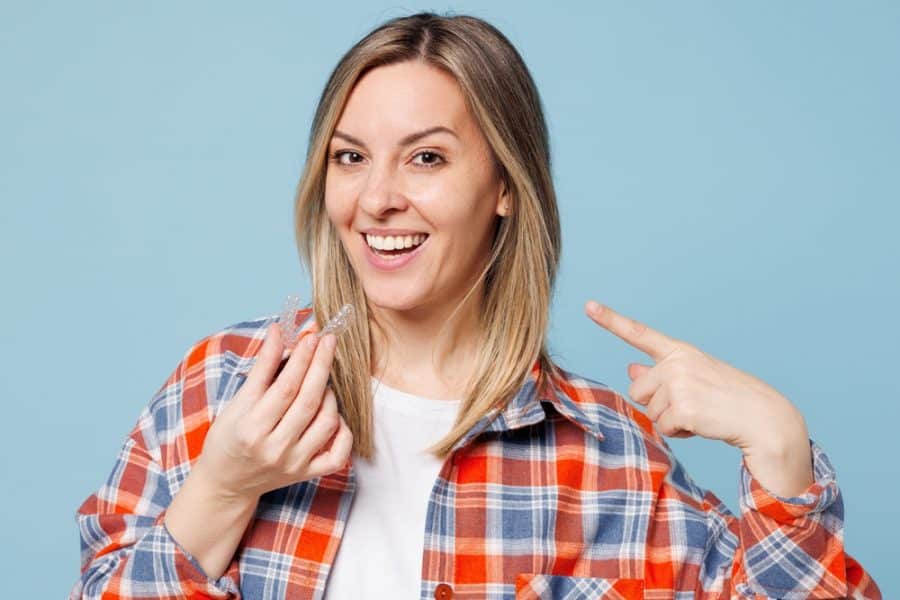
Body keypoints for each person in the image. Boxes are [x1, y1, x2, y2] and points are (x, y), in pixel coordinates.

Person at [70, 11, 881, 600]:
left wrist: (780, 446)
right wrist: (223, 487)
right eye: (351, 158)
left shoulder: (611, 464)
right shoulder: (226, 389)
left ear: (503, 188)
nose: (377, 198)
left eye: (426, 157)